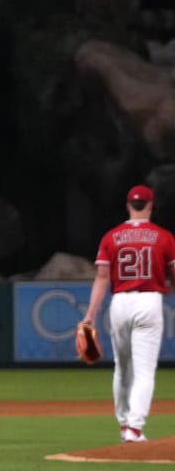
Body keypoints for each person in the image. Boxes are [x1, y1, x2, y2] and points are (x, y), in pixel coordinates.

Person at [80, 183, 175, 442]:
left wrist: (90, 315)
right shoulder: (164, 236)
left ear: (128, 206)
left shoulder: (111, 237)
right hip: (148, 301)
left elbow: (101, 277)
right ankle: (134, 427)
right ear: (151, 205)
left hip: (119, 302)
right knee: (144, 370)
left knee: (122, 368)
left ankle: (124, 424)